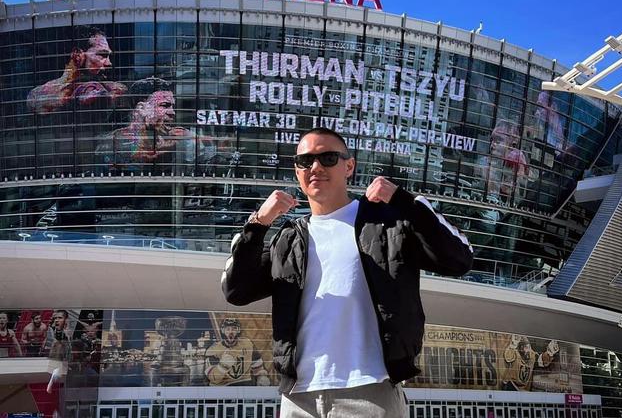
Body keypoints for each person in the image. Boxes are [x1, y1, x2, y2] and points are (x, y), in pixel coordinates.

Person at [222, 127, 474, 418]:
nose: (315, 167)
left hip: (370, 390)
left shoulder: (385, 225)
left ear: (349, 166)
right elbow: (235, 290)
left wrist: (404, 201)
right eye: (305, 161)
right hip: (298, 397)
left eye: (328, 158)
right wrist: (257, 224)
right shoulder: (290, 238)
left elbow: (459, 258)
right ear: (297, 172)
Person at [96, 77, 215, 169]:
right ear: (142, 108)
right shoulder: (111, 142)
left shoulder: (181, 137)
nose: (172, 112)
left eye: (172, 106)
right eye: (164, 105)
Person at [27, 28, 126, 113]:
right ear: (78, 54)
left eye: (108, 56)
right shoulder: (37, 95)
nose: (109, 63)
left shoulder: (113, 89)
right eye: (102, 55)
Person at [204, 318, 271, 386]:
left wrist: (261, 376)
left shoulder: (247, 344)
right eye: (228, 329)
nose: (231, 332)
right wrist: (222, 366)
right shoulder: (213, 350)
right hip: (224, 388)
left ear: (238, 331)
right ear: (223, 331)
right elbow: (211, 378)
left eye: (234, 329)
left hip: (245, 384)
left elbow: (257, 364)